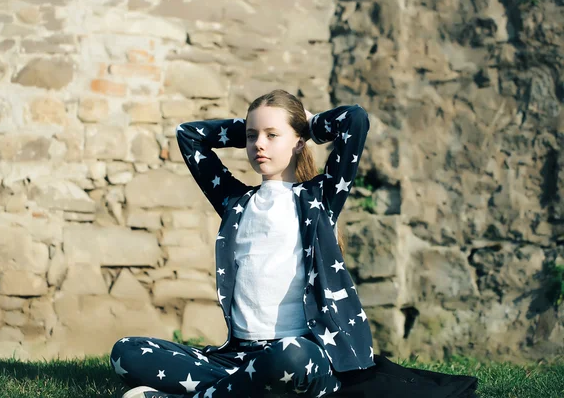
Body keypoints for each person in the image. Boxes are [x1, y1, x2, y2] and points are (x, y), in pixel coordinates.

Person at [109, 90, 478, 398]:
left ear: (298, 141)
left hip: (300, 351)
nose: (259, 145)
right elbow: (188, 134)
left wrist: (309, 124)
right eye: (253, 137)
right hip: (237, 357)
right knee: (126, 353)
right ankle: (240, 388)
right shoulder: (235, 202)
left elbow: (356, 120)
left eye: (272, 135)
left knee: (291, 359)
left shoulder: (319, 197)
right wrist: (248, 129)